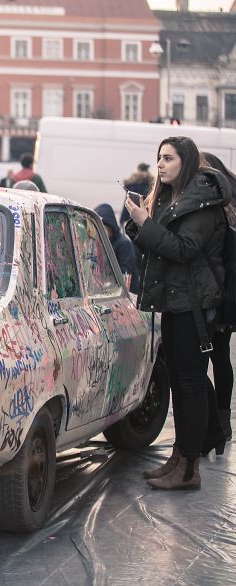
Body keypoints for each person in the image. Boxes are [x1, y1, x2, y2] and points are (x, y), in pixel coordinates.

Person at [124, 136, 229, 490]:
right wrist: (138, 224)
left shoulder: (201, 201)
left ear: (186, 161)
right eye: (159, 158)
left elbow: (183, 249)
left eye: (168, 158)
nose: (160, 164)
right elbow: (161, 249)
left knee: (191, 385)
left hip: (194, 306)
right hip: (175, 301)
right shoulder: (174, 198)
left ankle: (188, 469)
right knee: (181, 387)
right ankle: (179, 458)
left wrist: (146, 223)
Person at [201, 152, 236, 446]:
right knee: (220, 358)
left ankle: (215, 424)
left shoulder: (218, 208)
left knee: (204, 360)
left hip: (216, 295)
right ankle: (222, 423)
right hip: (226, 295)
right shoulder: (229, 204)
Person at [94, 203, 139, 294]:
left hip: (128, 292)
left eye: (103, 228)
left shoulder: (124, 244)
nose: (100, 233)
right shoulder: (102, 242)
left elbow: (125, 272)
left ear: (111, 227)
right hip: (110, 289)